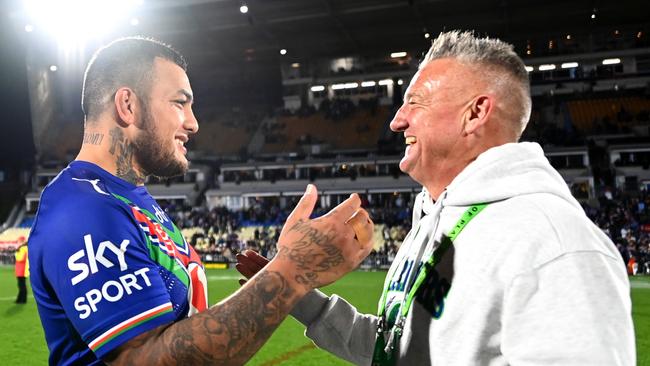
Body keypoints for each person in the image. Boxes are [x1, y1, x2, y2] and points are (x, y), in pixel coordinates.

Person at [236, 31, 636, 365]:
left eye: (415, 102)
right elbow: (397, 350)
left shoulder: (553, 243)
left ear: (475, 113)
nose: (396, 120)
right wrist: (296, 292)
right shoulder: (434, 221)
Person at [28, 36, 374, 365]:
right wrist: (293, 270)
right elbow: (145, 359)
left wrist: (277, 274)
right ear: (128, 105)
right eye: (180, 102)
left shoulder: (130, 198)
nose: (193, 123)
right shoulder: (85, 210)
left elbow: (180, 330)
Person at [14, 236, 29, 304]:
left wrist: (16, 253)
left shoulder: (23, 248)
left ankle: (22, 299)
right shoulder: (24, 248)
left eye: (19, 241)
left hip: (22, 270)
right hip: (21, 269)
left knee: (21, 285)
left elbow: (20, 258)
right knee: (21, 285)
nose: (18, 242)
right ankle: (20, 299)